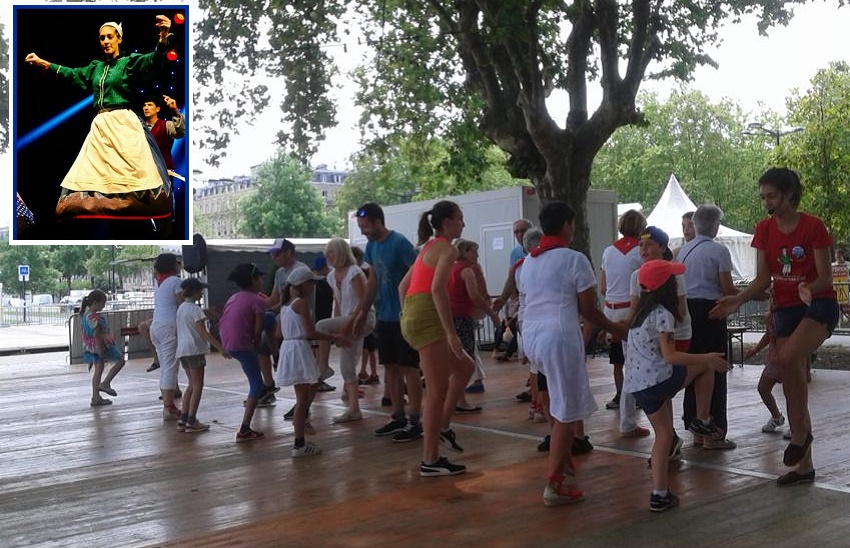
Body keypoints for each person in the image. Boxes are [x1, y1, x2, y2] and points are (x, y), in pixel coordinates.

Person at [712, 167, 839, 486]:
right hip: (785, 308)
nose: (766, 203)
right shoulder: (764, 230)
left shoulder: (813, 227)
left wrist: (809, 286)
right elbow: (762, 279)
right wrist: (738, 299)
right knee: (791, 373)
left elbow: (825, 275)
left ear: (789, 195)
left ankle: (799, 435)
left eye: (772, 196)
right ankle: (804, 465)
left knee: (787, 357)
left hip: (815, 303)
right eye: (763, 197)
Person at [518, 201, 627, 507]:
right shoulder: (574, 259)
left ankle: (562, 457)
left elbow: (527, 304)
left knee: (556, 401)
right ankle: (554, 484)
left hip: (534, 337)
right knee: (566, 410)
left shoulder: (530, 260)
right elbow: (589, 309)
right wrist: (619, 330)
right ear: (568, 225)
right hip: (559, 336)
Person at [24, 17, 175, 234]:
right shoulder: (96, 68)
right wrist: (44, 63)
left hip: (124, 123)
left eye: (109, 37)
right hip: (101, 125)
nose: (105, 41)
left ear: (119, 39)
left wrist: (162, 38)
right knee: (91, 173)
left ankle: (157, 225)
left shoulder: (129, 63)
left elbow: (153, 61)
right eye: (102, 38)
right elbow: (73, 74)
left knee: (137, 171)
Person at [625, 259, 731, 512]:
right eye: (673, 280)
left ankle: (659, 494)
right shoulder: (663, 314)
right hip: (659, 380)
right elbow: (670, 356)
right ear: (666, 286)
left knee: (662, 437)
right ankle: (702, 419)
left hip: (639, 385)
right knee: (706, 366)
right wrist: (706, 358)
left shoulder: (638, 314)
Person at [399, 201, 474, 475]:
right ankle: (430, 460)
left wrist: (407, 317)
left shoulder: (427, 248)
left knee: (466, 367)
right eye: (460, 218)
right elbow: (437, 290)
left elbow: (403, 286)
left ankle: (442, 427)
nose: (463, 224)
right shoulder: (448, 248)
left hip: (417, 315)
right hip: (427, 318)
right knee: (437, 389)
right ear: (447, 223)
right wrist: (451, 333)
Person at [355, 202, 423, 443]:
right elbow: (373, 278)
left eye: (364, 226)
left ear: (376, 221)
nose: (362, 231)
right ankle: (398, 416)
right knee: (391, 366)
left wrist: (412, 306)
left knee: (409, 368)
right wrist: (363, 310)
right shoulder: (372, 246)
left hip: (403, 316)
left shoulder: (400, 243)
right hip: (384, 316)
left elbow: (418, 271)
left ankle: (416, 420)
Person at [678, 205, 738, 450]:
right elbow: (728, 289)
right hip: (711, 312)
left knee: (693, 367)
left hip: (687, 313)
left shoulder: (681, 251)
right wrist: (756, 293)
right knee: (715, 368)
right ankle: (715, 432)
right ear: (715, 225)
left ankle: (695, 428)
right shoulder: (718, 250)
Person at [276, 266, 339, 457]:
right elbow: (310, 331)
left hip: (288, 348)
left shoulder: (285, 305)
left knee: (307, 391)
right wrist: (333, 338)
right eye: (311, 283)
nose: (313, 286)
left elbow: (278, 333)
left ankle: (301, 429)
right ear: (302, 285)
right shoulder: (301, 303)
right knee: (303, 398)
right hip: (299, 349)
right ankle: (299, 443)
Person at [315, 238, 376, 423]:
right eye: (327, 253)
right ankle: (354, 410)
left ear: (341, 252)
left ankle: (323, 367)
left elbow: (363, 304)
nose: (328, 256)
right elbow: (339, 304)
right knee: (347, 366)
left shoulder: (354, 271)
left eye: (331, 252)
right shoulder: (332, 276)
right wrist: (340, 329)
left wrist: (345, 329)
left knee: (321, 325)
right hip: (349, 320)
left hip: (364, 318)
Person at [599, 209, 646, 422]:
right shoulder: (641, 252)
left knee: (617, 358)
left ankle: (619, 394)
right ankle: (635, 396)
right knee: (636, 358)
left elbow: (602, 286)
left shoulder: (608, 251)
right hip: (632, 310)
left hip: (611, 309)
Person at [448, 239, 501, 413]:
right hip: (462, 318)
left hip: (451, 317)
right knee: (465, 359)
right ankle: (458, 400)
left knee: (457, 359)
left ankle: (458, 399)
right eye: (474, 251)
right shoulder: (467, 271)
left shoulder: (451, 269)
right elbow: (474, 296)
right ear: (465, 252)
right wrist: (492, 313)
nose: (476, 255)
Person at [219, 263, 268, 443]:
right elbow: (257, 330)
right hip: (243, 345)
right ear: (253, 280)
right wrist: (256, 344)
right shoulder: (258, 301)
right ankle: (245, 428)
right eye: (260, 278)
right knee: (256, 385)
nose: (262, 281)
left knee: (270, 319)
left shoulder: (234, 297)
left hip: (229, 343)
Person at [175, 278, 230, 433]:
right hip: (195, 350)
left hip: (183, 351)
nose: (201, 293)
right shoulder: (195, 309)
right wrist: (220, 347)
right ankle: (192, 420)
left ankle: (184, 419)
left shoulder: (182, 308)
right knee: (198, 385)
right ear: (194, 291)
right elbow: (202, 332)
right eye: (200, 290)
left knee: (191, 384)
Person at [149, 253, 183, 420]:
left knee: (165, 366)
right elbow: (182, 304)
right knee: (170, 367)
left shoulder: (159, 282)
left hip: (156, 326)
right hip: (169, 326)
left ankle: (167, 406)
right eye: (178, 262)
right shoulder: (176, 282)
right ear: (173, 265)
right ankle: (169, 408)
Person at [743, 306, 786, 434]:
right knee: (763, 388)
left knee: (792, 391)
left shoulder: (790, 313)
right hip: (774, 358)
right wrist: (754, 350)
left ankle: (798, 426)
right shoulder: (771, 316)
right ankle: (777, 416)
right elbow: (769, 335)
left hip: (788, 356)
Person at [79, 289, 125, 407]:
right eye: (103, 303)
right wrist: (101, 350)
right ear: (96, 302)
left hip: (90, 347)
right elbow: (97, 334)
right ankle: (106, 383)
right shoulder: (94, 318)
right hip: (101, 345)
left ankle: (95, 396)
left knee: (98, 370)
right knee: (120, 361)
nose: (104, 306)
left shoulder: (85, 315)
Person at [352, 246, 380, 385]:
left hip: (366, 314)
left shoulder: (361, 272)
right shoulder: (365, 271)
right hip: (369, 313)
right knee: (369, 348)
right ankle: (369, 371)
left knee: (367, 347)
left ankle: (366, 371)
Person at [141, 94, 185, 173]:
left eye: (150, 105)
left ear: (157, 109)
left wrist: (175, 110)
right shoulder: (140, 127)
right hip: (145, 171)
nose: (146, 108)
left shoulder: (166, 125)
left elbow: (181, 132)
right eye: (144, 106)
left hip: (164, 171)